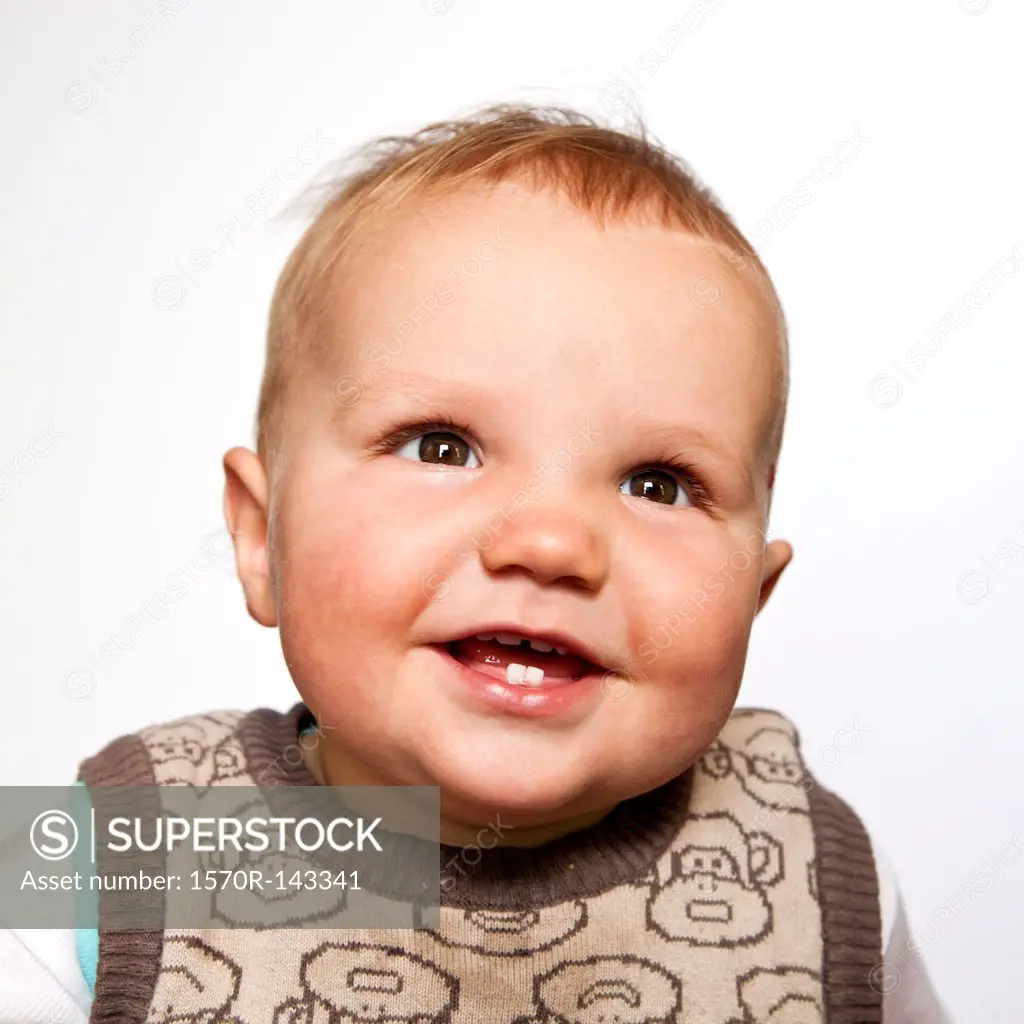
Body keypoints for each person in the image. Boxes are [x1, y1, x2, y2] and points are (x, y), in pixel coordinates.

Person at [0, 105, 954, 1022]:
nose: (550, 544)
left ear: (755, 593)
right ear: (259, 538)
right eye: (442, 448)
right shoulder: (118, 851)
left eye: (658, 484)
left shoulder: (812, 876)